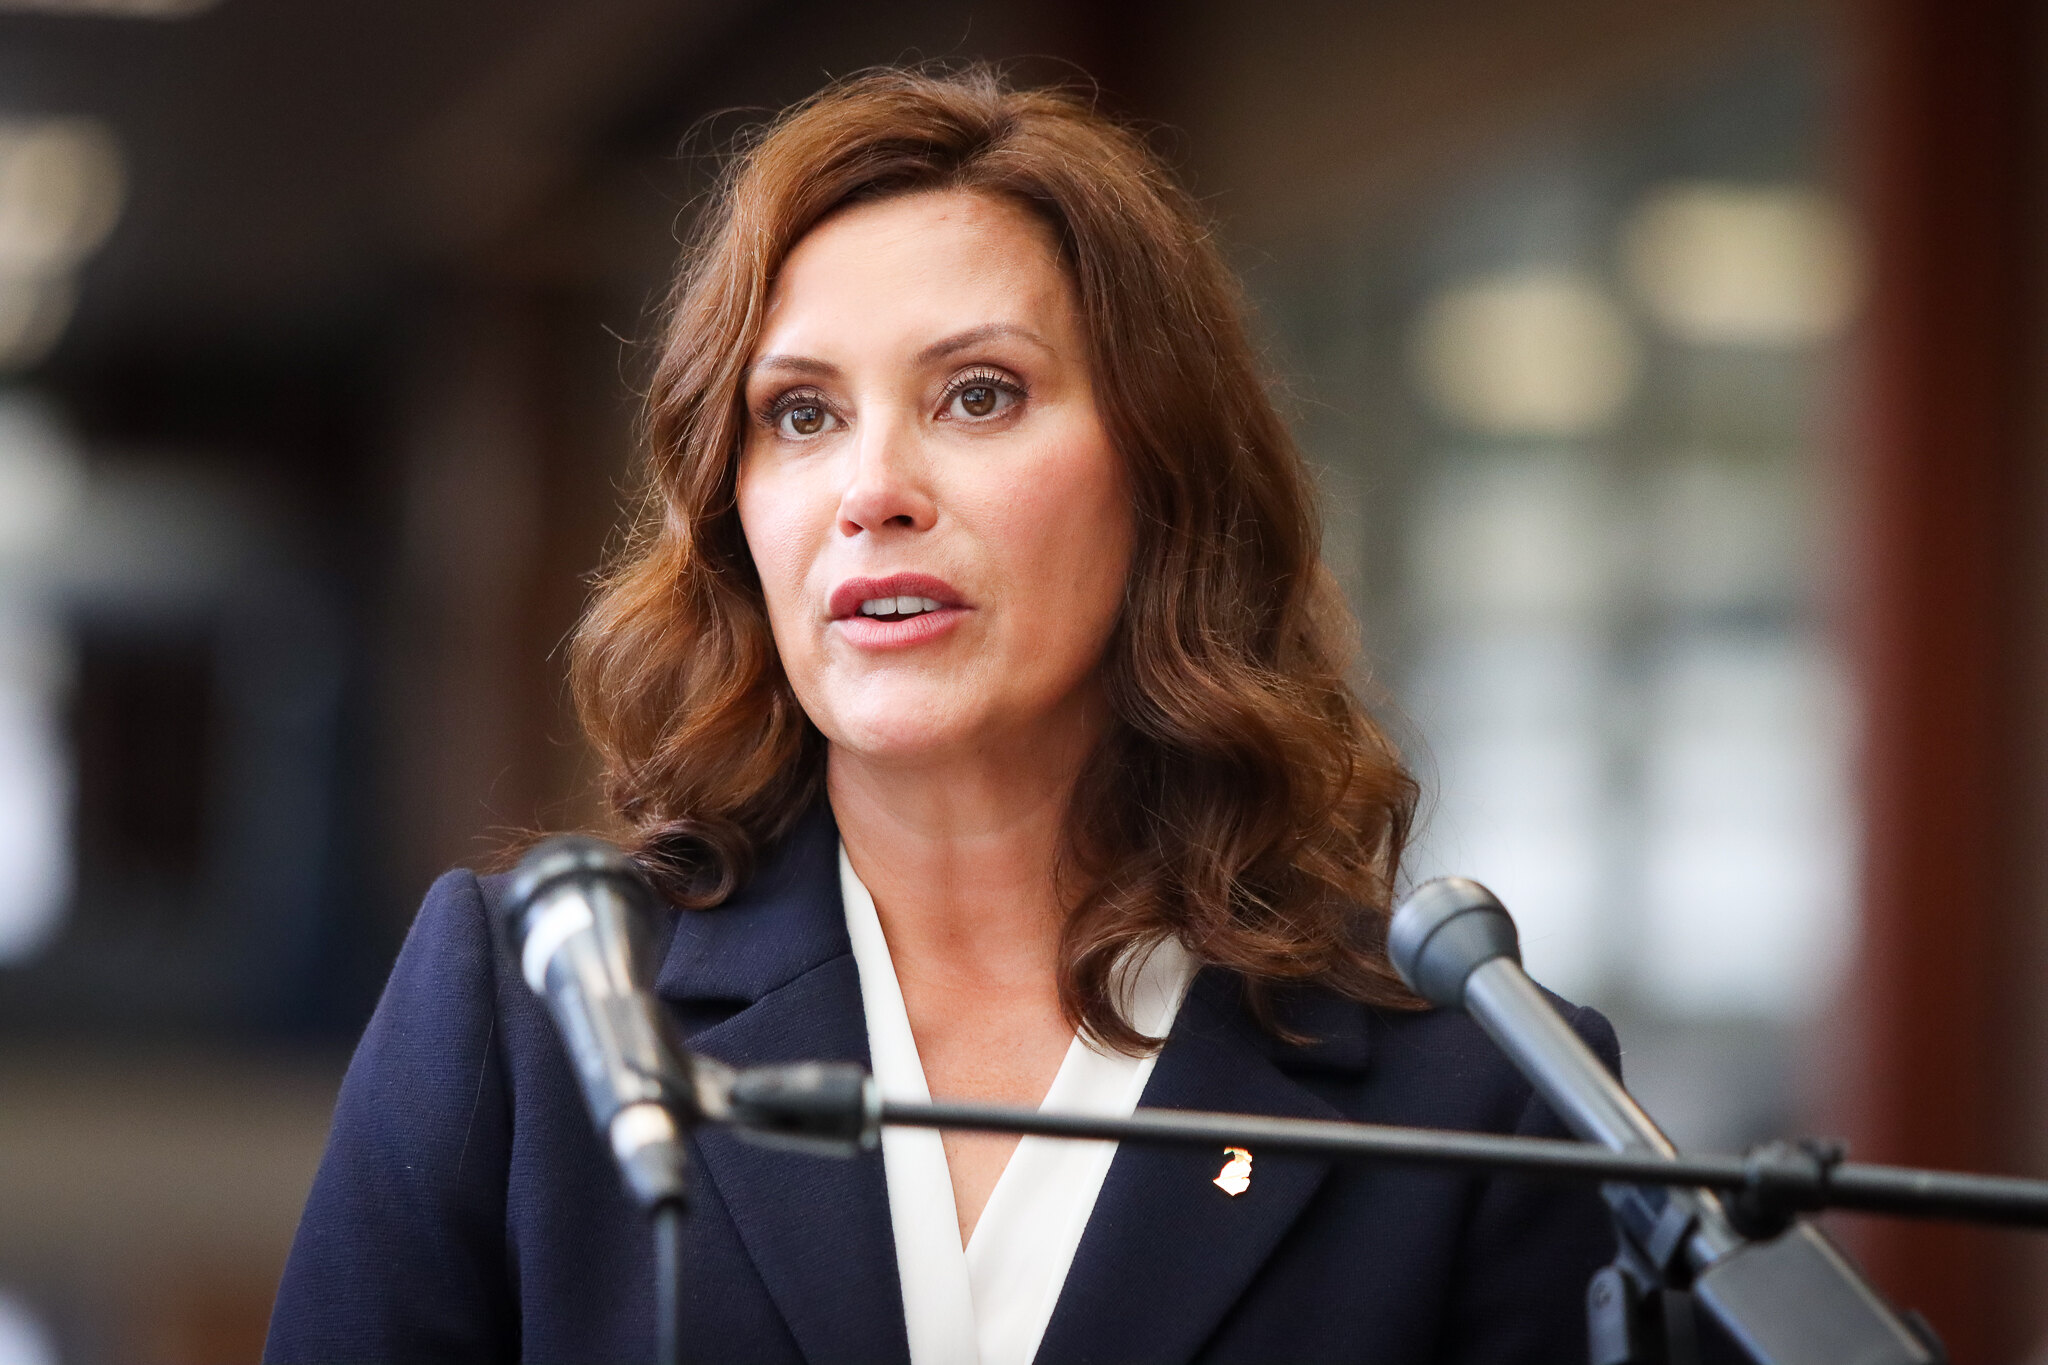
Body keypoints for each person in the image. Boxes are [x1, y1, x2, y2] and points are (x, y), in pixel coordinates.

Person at [265, 65, 1619, 1365]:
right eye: (799, 413)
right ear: (734, 505)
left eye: (979, 394)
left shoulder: (1474, 1095)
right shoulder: (529, 1007)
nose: (872, 488)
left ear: (1163, 473)